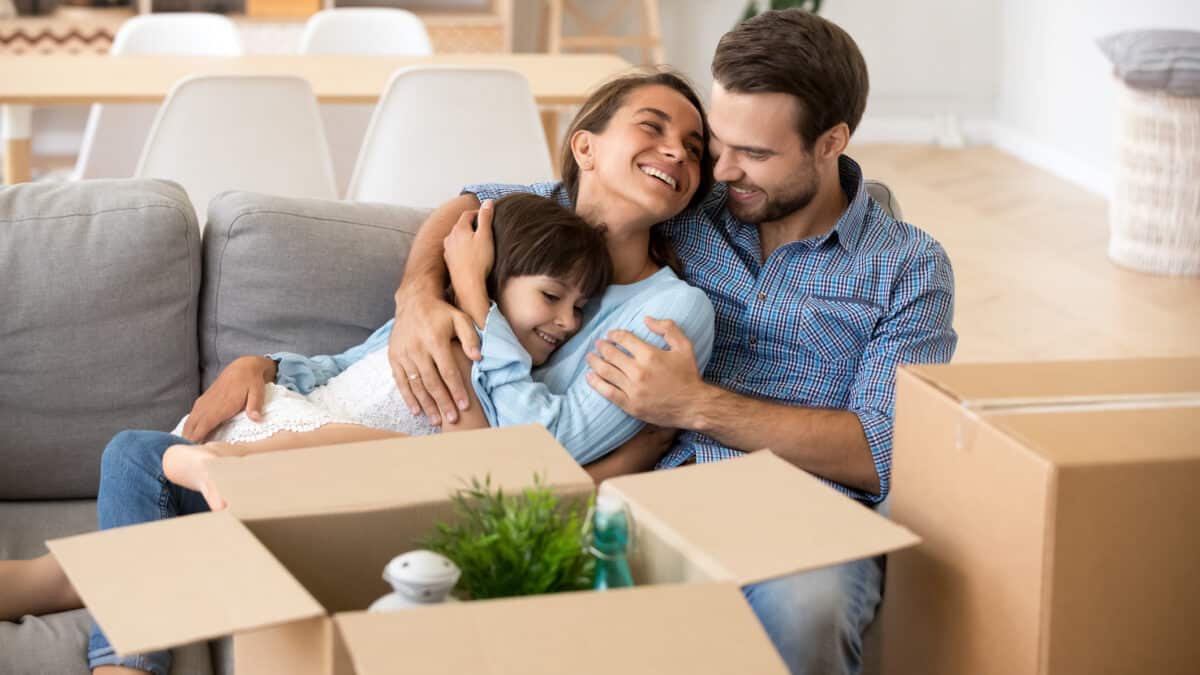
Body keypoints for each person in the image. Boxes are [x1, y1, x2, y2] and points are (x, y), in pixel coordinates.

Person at [0, 68, 717, 675]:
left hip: (419, 493)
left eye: (694, 146)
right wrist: (270, 363)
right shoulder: (502, 229)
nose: (676, 153)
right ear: (585, 146)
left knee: (153, 500)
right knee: (112, 507)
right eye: (652, 128)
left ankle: (140, 625)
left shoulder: (664, 308)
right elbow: (377, 353)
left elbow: (528, 452)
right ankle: (124, 652)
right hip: (328, 453)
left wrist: (471, 297)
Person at [386, 10, 957, 675]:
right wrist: (417, 296)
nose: (723, 168)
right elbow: (484, 203)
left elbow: (878, 449)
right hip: (646, 493)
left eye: (757, 154)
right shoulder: (686, 203)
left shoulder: (907, 266)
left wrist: (696, 405)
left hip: (799, 511)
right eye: (720, 142)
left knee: (811, 605)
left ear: (830, 142)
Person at [161, 192, 614, 511]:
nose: (570, 322)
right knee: (133, 453)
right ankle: (228, 463)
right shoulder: (424, 327)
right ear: (490, 272)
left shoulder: (511, 381)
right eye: (552, 297)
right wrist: (262, 365)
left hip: (310, 482)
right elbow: (337, 369)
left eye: (579, 308)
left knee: (134, 455)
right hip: (268, 432)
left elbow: (505, 449)